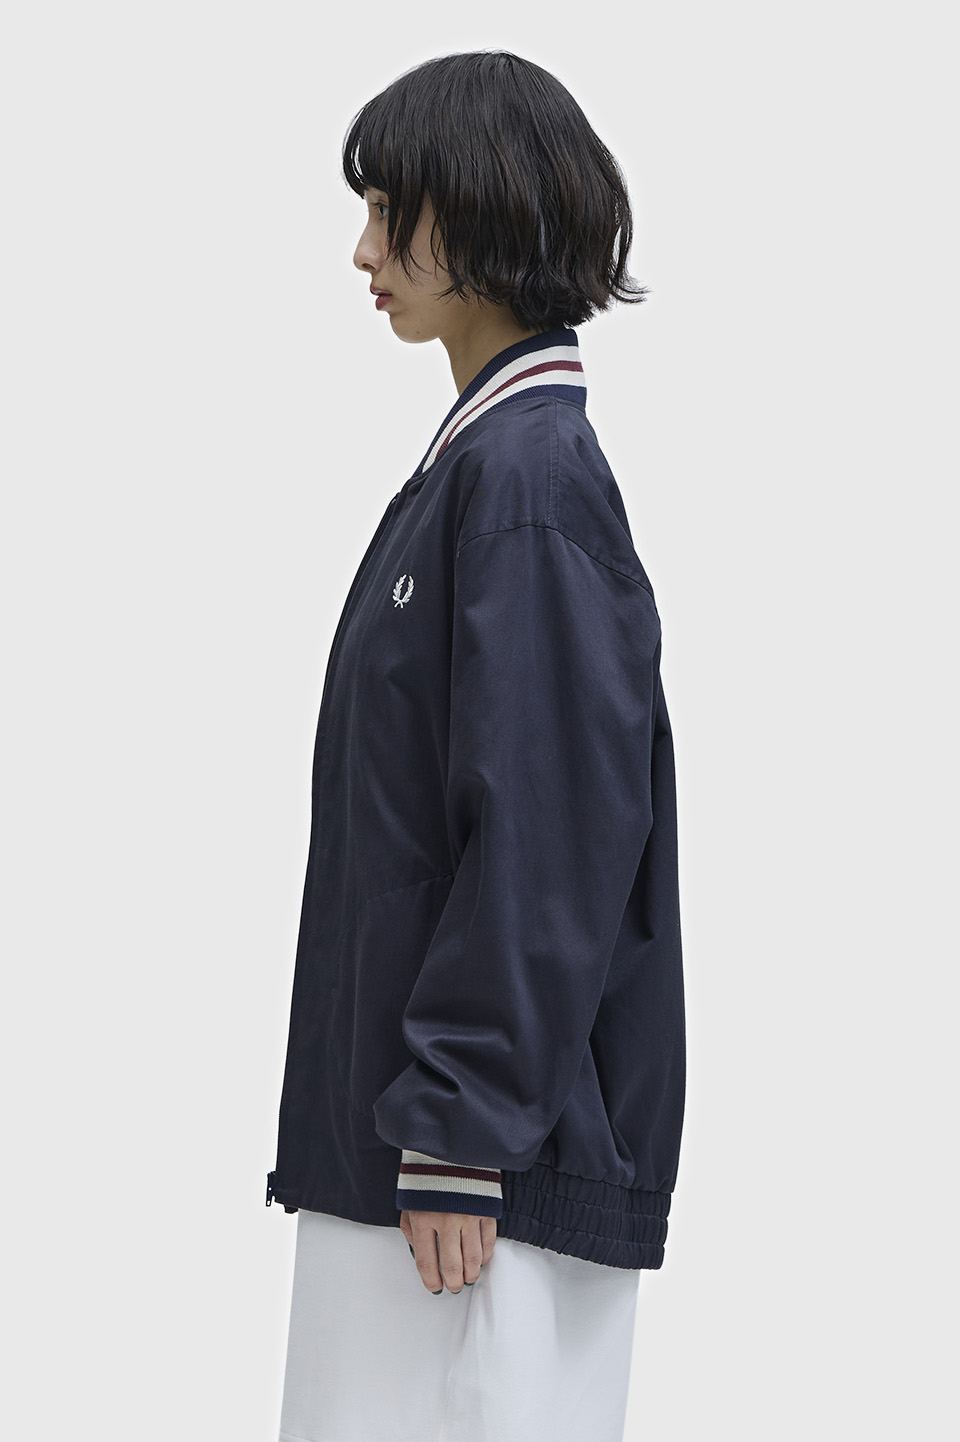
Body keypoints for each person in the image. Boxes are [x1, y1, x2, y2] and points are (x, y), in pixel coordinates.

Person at [267, 49, 686, 1442]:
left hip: (475, 1176)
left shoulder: (529, 482)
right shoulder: (481, 468)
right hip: (417, 1151)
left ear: (489, 209)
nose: (363, 251)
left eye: (392, 213)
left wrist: (459, 1122)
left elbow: (553, 830)